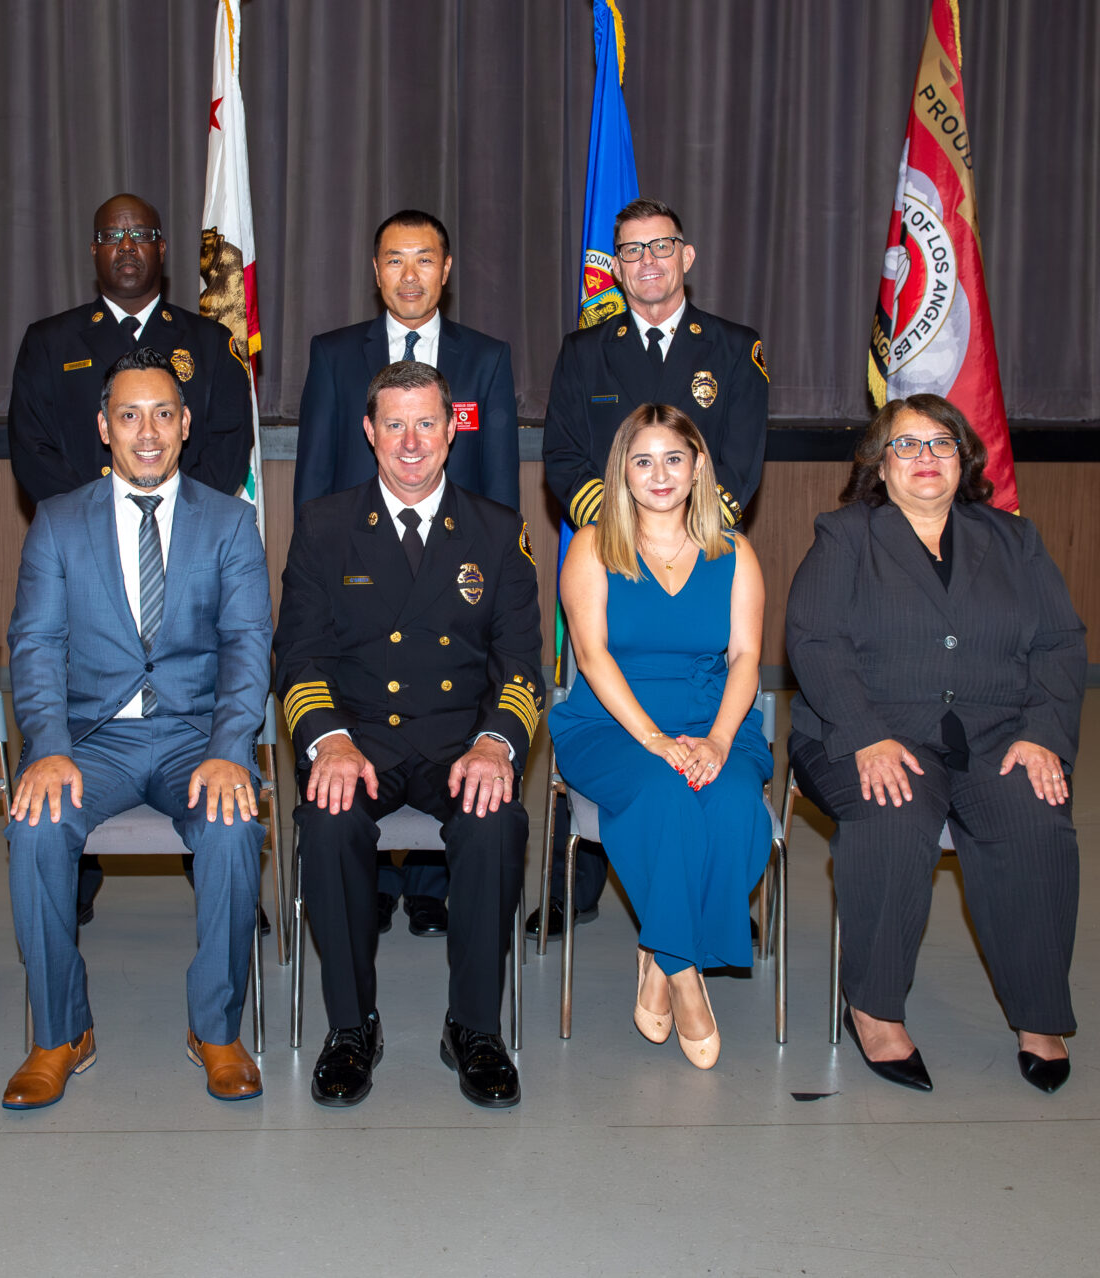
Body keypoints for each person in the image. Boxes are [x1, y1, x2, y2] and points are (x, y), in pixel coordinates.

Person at [786, 393, 1086, 1094]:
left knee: (1035, 820)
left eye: (942, 445)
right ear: (879, 468)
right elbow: (816, 643)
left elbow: (1060, 643)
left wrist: (1044, 732)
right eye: (907, 445)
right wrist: (865, 736)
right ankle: (876, 1008)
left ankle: (1039, 1012)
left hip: (997, 736)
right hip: (861, 732)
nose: (926, 458)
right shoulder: (845, 537)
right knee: (893, 818)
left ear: (965, 461)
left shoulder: (1016, 541)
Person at [2, 348, 272, 1109]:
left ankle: (215, 1029)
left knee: (230, 825)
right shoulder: (57, 523)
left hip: (195, 733)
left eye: (162, 414)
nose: (146, 432)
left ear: (186, 425)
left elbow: (248, 644)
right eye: (128, 415)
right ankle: (60, 1032)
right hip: (94, 738)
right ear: (103, 428)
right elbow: (35, 646)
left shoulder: (230, 522)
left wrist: (229, 751)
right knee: (35, 823)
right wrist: (48, 749)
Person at [276, 360, 543, 1110]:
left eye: (427, 422)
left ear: (454, 429)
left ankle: (474, 1028)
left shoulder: (497, 532)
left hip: (462, 744)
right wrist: (326, 739)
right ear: (369, 432)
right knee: (326, 822)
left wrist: (497, 743)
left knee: (494, 822)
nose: (412, 441)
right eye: (394, 424)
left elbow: (523, 663)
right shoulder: (326, 527)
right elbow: (297, 656)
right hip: (359, 741)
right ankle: (352, 1026)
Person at [7, 192, 257, 926]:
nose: (125, 245)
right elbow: (33, 449)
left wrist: (176, 527)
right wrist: (100, 524)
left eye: (140, 233)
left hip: (190, 563)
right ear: (92, 250)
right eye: (110, 235)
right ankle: (68, 886)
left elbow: (226, 447)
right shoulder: (50, 341)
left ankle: (221, 880)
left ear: (162, 248)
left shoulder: (210, 344)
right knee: (52, 817)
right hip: (87, 571)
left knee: (223, 823)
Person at [536, 196, 770, 938]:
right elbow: (566, 459)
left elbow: (738, 463)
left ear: (686, 256)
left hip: (699, 553)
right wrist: (624, 533)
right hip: (613, 557)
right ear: (617, 265)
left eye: (660, 247)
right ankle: (579, 885)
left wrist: (687, 534)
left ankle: (714, 893)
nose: (647, 263)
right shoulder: (584, 351)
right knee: (607, 691)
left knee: (708, 750)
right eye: (631, 252)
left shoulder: (736, 348)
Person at [295, 209, 522, 938]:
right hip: (360, 570)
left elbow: (494, 489)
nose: (411, 274)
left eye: (425, 259)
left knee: (444, 693)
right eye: (395, 259)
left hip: (449, 568)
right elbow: (315, 479)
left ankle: (429, 886)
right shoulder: (334, 355)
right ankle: (367, 891)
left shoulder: (484, 358)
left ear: (447, 270)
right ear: (376, 271)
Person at [547, 406, 772, 1068]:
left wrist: (722, 742)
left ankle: (657, 951)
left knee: (733, 806)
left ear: (699, 467)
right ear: (623, 473)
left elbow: (746, 660)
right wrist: (651, 739)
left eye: (674, 458)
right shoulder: (592, 546)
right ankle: (685, 975)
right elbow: (591, 657)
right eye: (642, 461)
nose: (660, 474)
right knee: (666, 799)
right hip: (611, 725)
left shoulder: (734, 552)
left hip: (715, 722)